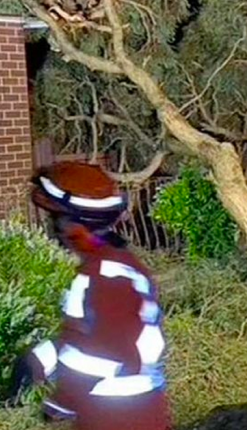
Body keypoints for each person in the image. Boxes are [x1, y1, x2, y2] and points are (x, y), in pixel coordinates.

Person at [14, 162, 170, 430]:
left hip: (118, 413)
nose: (54, 230)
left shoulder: (107, 276)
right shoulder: (113, 264)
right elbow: (88, 333)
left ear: (76, 224)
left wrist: (62, 400)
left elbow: (106, 352)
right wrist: (39, 360)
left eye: (57, 220)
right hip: (127, 409)